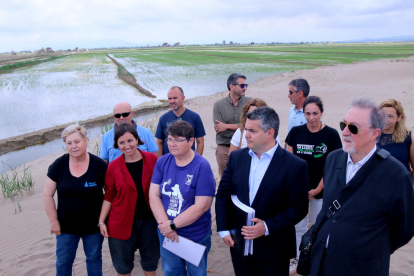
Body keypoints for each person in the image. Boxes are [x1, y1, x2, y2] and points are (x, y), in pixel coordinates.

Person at [309, 96, 414, 276]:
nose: (345, 133)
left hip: (364, 267)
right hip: (324, 263)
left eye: (354, 128)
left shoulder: (395, 174)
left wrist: (373, 248)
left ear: (375, 133)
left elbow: (405, 228)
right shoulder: (333, 159)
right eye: (344, 125)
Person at [216, 107, 309, 276]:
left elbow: (299, 208)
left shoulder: (295, 165)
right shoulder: (237, 158)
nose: (246, 135)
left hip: (274, 250)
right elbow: (223, 194)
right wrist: (223, 229)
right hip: (239, 247)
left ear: (269, 133)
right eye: (246, 130)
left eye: (252, 130)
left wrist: (267, 226)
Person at [149, 121, 216, 276]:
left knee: (196, 273)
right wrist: (166, 226)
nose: (172, 144)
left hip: (194, 234)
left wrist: (173, 225)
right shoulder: (162, 162)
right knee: (171, 271)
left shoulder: (202, 166)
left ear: (191, 141)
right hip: (167, 231)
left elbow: (202, 206)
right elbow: (154, 195)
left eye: (178, 140)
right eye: (170, 139)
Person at [285, 96, 342, 275]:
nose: (311, 117)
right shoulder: (295, 132)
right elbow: (289, 161)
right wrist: (297, 188)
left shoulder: (331, 135)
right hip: (298, 189)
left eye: (315, 113)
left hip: (321, 189)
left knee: (319, 224)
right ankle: (295, 257)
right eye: (308, 113)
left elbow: (334, 165)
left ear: (322, 113)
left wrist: (318, 188)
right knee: (298, 225)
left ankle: (316, 256)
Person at [43, 125, 107, 276]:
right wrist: (53, 221)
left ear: (86, 141)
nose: (74, 146)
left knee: (94, 259)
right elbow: (47, 194)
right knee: (64, 261)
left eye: (77, 141)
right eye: (69, 143)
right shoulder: (58, 165)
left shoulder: (99, 165)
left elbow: (109, 194)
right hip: (66, 227)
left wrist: (103, 220)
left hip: (93, 227)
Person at [98, 123, 160, 276]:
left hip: (150, 221)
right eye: (122, 143)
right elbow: (109, 196)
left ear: (137, 140)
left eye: (130, 141)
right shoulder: (113, 166)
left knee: (150, 264)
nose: (127, 146)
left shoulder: (152, 159)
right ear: (117, 145)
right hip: (121, 222)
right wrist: (101, 221)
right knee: (123, 267)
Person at [213, 73, 252, 179]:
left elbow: (251, 125)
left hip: (245, 147)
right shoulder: (218, 105)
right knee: (226, 179)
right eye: (242, 86)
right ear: (231, 86)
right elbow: (220, 129)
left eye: (246, 85)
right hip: (224, 149)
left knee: (245, 178)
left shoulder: (250, 103)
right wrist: (241, 127)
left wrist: (227, 126)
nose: (245, 88)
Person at [155, 86, 206, 157]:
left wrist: (196, 161)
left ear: (183, 98)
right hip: (169, 163)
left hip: (189, 161)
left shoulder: (195, 117)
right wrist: (160, 163)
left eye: (175, 98)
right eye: (170, 98)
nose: (172, 101)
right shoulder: (163, 118)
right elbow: (159, 143)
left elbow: (200, 142)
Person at [377, 99, 414, 181]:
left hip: (400, 188)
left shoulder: (409, 138)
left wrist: (409, 188)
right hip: (374, 188)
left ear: (399, 117)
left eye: (390, 116)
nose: (385, 120)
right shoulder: (370, 136)